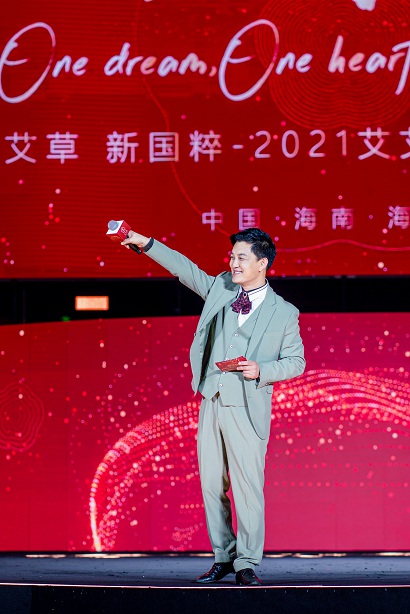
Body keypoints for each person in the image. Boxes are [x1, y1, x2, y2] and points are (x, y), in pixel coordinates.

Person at [121, 227, 305, 586]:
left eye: (241, 257)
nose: (233, 263)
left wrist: (262, 370)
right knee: (210, 485)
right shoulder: (221, 288)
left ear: (262, 263)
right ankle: (224, 556)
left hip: (247, 407)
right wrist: (145, 244)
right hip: (213, 399)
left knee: (247, 488)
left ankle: (246, 562)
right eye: (232, 256)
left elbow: (296, 362)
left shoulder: (284, 312)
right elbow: (184, 269)